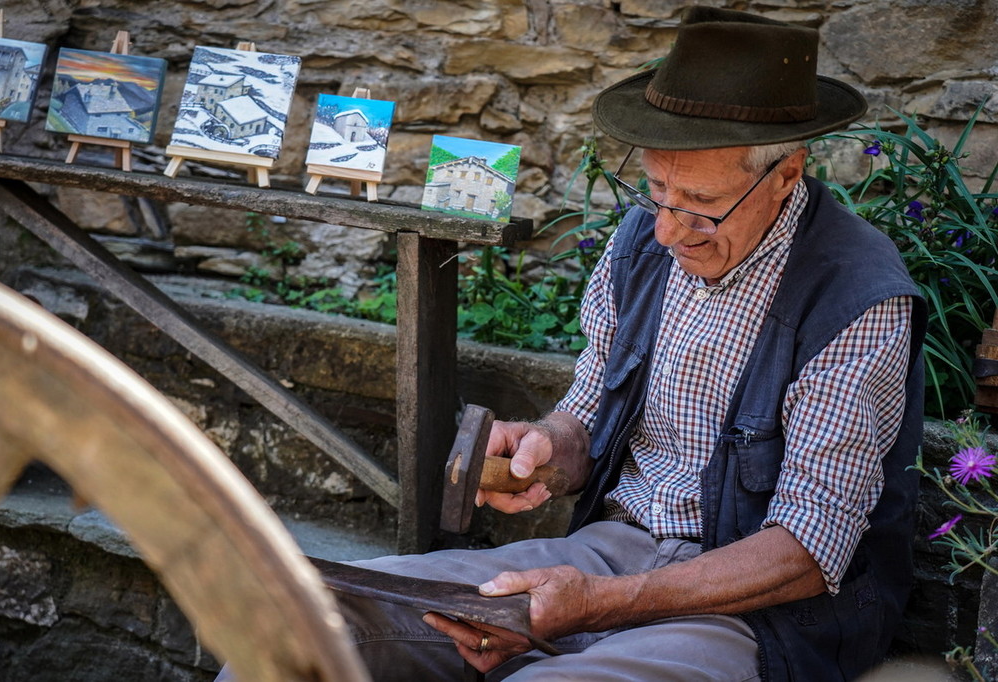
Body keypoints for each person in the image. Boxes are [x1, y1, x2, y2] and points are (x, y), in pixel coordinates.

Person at [217, 6, 926, 681]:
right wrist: (544, 450)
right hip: (609, 554)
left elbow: (805, 551)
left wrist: (598, 606)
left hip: (754, 611)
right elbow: (587, 412)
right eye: (656, 190)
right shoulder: (639, 246)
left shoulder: (857, 295)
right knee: (299, 623)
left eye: (702, 206)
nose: (667, 231)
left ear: (787, 174)